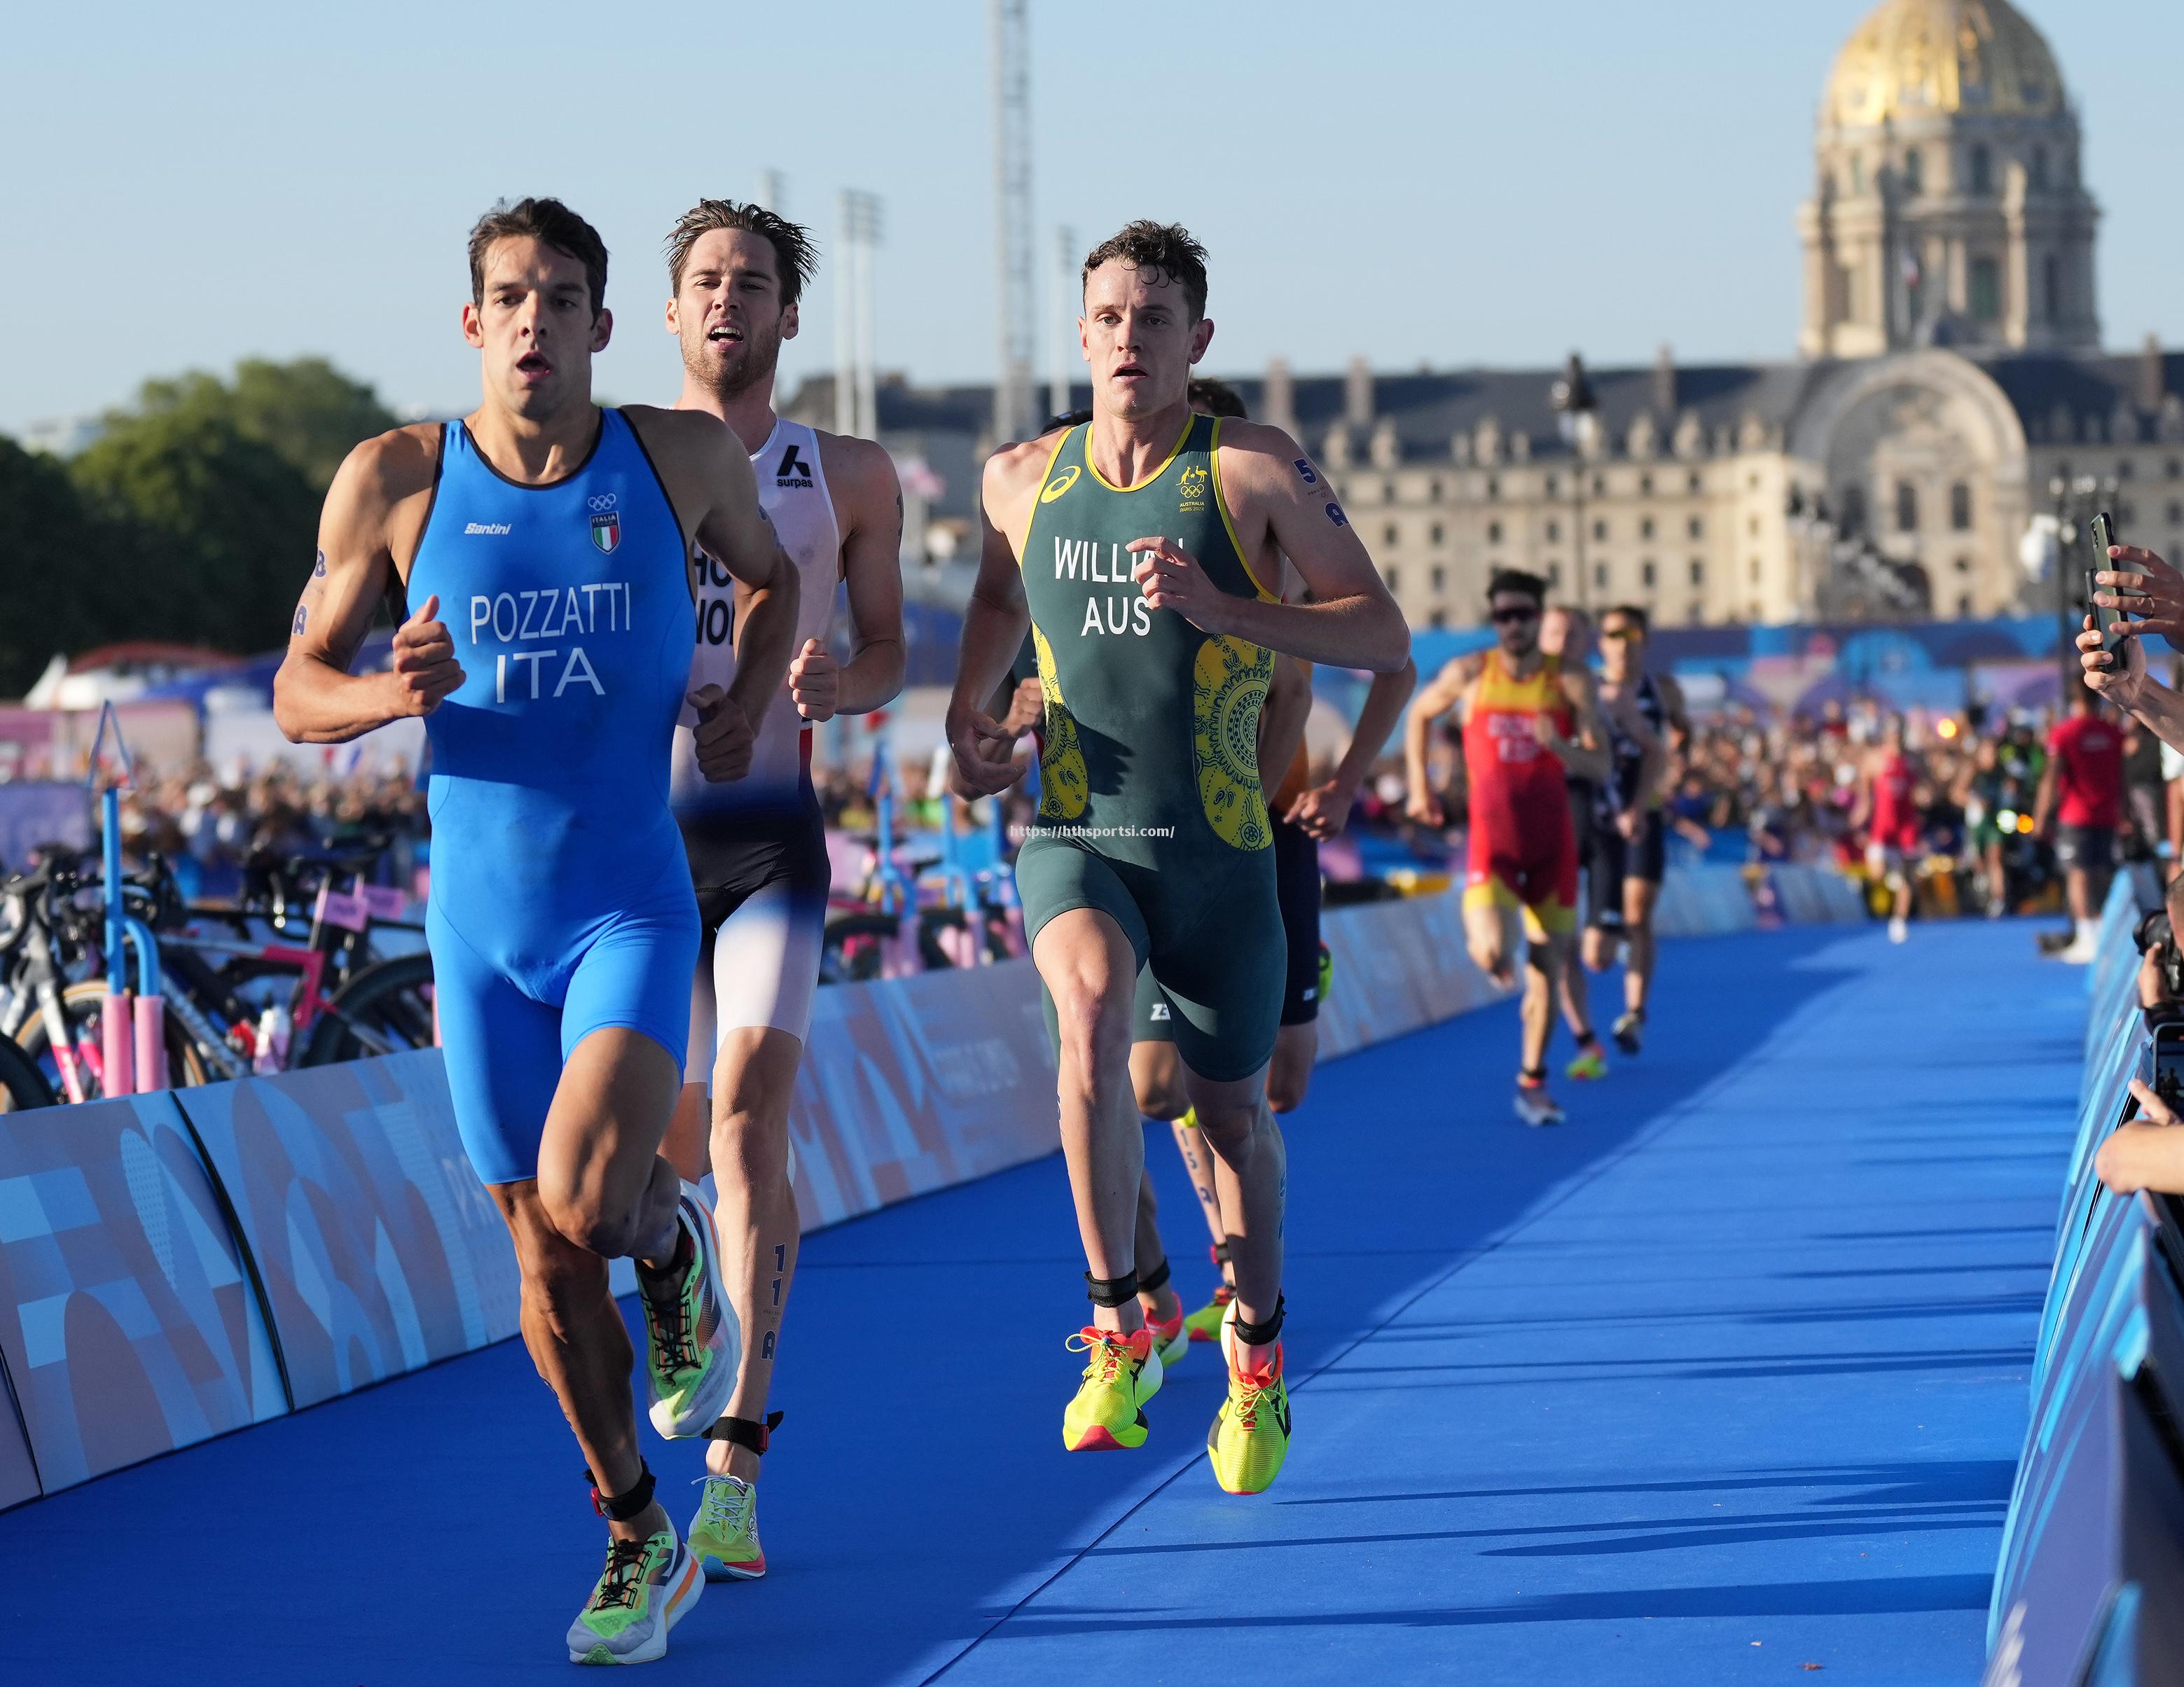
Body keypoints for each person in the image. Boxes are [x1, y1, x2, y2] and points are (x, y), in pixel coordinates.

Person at [272, 197, 801, 1667]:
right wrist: (389, 691)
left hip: (623, 909)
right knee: (543, 1259)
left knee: (583, 1198)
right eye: (506, 296)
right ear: (470, 323)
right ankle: (637, 1528)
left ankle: (666, 1231)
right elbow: (295, 690)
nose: (531, 321)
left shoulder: (676, 457)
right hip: (477, 934)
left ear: (598, 326)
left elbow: (777, 582)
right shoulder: (392, 480)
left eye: (559, 298)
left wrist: (749, 695)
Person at [946, 221, 1408, 1495]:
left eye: (1154, 318)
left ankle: (1254, 1350)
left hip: (1222, 857)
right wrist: (967, 714)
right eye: (1106, 316)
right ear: (1079, 331)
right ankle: (1118, 1317)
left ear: (1196, 339)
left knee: (1234, 1120)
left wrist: (1224, 610)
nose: (1127, 339)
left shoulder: (1249, 470)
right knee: (1088, 1010)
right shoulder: (1017, 477)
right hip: (1082, 834)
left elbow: (1379, 629)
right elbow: (996, 596)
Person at [657, 200, 906, 1581]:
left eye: (750, 283)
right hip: (630, 853)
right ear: (670, 307)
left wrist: (837, 684)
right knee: (656, 1152)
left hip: (766, 845)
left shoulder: (848, 474)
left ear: (785, 316)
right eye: (703, 282)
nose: (727, 302)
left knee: (750, 1129)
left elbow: (886, 654)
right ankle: (677, 1279)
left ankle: (736, 1455)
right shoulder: (620, 454)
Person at [1131, 375, 1420, 1349]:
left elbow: (1390, 663)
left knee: (1280, 1090)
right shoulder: (1146, 574)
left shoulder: (1280, 566)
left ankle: (1292, 992)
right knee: (1165, 1087)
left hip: (1271, 841)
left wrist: (1340, 784)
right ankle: (1225, 1256)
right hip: (1176, 848)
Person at [1403, 571, 1611, 1126]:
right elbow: (1420, 714)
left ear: (1540, 619)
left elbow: (1602, 764)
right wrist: (1421, 789)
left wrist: (1561, 745)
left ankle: (1533, 1082)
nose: (1513, 625)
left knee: (1546, 970)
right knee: (1496, 951)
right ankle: (1496, 954)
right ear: (1494, 621)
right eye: (1503, 616)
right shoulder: (1472, 673)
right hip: (1493, 848)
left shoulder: (1571, 682)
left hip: (1552, 850)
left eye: (1523, 614)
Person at [1586, 605, 1684, 1053]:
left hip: (1645, 812)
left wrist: (1674, 769)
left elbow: (1680, 738)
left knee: (1639, 911)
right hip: (1600, 816)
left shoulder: (1662, 689)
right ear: (1601, 642)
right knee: (1597, 956)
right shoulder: (1587, 688)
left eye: (1630, 634)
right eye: (1612, 634)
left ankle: (1635, 1013)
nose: (1621, 642)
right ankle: (1614, 943)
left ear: (1643, 639)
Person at [1538, 606, 1611, 1081]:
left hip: (1588, 817)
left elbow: (1600, 761)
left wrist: (1559, 748)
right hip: (1535, 818)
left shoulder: (1585, 686)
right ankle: (1585, 1037)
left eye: (1573, 634)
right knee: (1557, 946)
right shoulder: (1513, 682)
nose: (1563, 641)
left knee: (1593, 952)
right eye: (1555, 632)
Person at [2037, 676, 2125, 963]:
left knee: (2078, 875)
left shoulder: (2065, 733)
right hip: (2107, 813)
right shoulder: (2112, 733)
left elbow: (2052, 775)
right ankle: (2100, 935)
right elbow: (2123, 774)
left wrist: (2040, 816)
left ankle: (2088, 938)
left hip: (2076, 815)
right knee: (2102, 874)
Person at [1853, 716, 1921, 944]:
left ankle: (1899, 920)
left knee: (1907, 878)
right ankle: (1892, 882)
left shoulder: (1912, 760)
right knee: (1877, 873)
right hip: (1882, 827)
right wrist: (1864, 803)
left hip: (1905, 827)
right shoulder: (1876, 759)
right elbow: (1863, 778)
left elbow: (1923, 785)